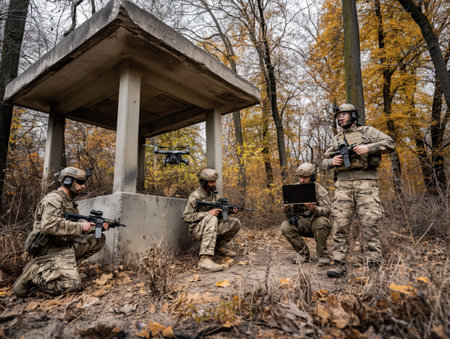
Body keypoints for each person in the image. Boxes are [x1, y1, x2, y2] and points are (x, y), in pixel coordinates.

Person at [323, 104, 395, 278]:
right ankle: (339, 263)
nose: (340, 118)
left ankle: (375, 265)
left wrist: (369, 148)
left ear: (353, 115)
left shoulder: (368, 132)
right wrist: (332, 162)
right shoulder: (337, 138)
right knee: (340, 224)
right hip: (343, 185)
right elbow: (324, 160)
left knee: (370, 224)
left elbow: (390, 143)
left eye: (344, 114)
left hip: (366, 183)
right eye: (338, 115)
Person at [13, 167, 109, 297]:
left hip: (64, 246)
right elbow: (49, 225)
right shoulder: (53, 199)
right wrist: (81, 227)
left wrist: (97, 227)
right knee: (73, 285)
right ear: (68, 181)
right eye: (80, 182)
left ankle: (64, 267)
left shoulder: (69, 202)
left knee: (98, 238)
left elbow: (74, 226)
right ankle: (35, 272)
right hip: (50, 250)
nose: (83, 186)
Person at [182, 168, 241, 272]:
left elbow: (219, 212)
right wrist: (208, 213)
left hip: (210, 226)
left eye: (214, 182)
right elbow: (186, 217)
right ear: (204, 182)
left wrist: (229, 211)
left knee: (235, 223)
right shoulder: (195, 196)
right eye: (211, 182)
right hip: (196, 230)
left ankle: (217, 247)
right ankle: (204, 260)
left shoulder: (214, 195)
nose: (214, 184)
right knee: (212, 218)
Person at [280, 163, 332, 266]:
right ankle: (303, 254)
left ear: (312, 177)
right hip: (300, 222)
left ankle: (323, 256)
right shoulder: (293, 189)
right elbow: (287, 213)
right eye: (300, 177)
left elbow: (328, 210)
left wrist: (314, 209)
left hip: (315, 221)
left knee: (321, 222)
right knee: (285, 226)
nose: (302, 180)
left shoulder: (319, 190)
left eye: (305, 177)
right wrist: (286, 208)